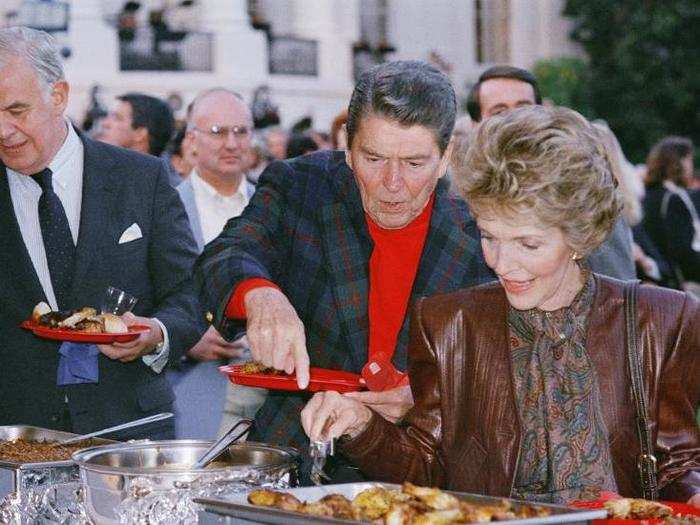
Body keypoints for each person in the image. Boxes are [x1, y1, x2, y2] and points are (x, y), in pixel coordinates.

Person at [301, 106, 700, 505]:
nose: (502, 264)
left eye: (528, 244)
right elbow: (427, 466)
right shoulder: (449, 324)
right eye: (490, 236)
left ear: (580, 235)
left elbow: (677, 465)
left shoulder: (661, 320)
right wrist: (363, 426)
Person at [195, 60, 492, 479]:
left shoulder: (481, 237)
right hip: (295, 458)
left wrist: (429, 397)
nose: (392, 183)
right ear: (348, 149)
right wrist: (260, 295)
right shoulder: (302, 187)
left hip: (419, 474)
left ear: (445, 159)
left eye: (413, 163)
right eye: (373, 158)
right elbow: (225, 253)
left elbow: (499, 378)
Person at [0, 27, 203, 439]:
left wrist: (155, 334)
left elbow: (191, 290)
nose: (2, 130)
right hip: (15, 440)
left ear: (57, 96)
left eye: (16, 110)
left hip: (129, 431)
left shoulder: (140, 178)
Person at [467, 65, 636, 280]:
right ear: (475, 125)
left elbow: (615, 288)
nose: (514, 119)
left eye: (524, 107)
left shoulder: (583, 188)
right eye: (499, 111)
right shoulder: (462, 198)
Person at [168, 88, 263, 439]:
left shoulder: (274, 208)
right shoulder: (163, 207)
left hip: (272, 398)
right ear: (191, 141)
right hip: (193, 392)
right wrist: (183, 336)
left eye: (241, 132)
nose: (232, 143)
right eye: (218, 132)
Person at [641, 137, 700, 296]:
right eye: (688, 160)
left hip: (655, 281)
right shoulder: (674, 198)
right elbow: (682, 250)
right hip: (675, 286)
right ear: (677, 162)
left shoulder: (647, 195)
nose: (691, 166)